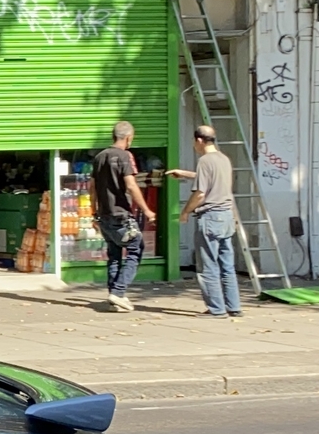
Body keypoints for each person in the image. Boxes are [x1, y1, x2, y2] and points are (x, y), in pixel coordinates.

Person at [169, 125, 242, 318]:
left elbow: (200, 193)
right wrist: (185, 174)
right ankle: (233, 306)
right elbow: (213, 180)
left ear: (199, 140)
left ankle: (216, 309)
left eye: (194, 142)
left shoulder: (205, 161)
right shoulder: (223, 159)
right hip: (226, 215)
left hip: (210, 217)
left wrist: (185, 211)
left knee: (207, 265)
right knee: (227, 265)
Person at [91, 120, 155, 313]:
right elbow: (131, 185)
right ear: (128, 138)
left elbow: (92, 187)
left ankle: (114, 297)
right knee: (136, 249)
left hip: (104, 215)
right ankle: (118, 292)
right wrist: (146, 210)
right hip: (121, 215)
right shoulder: (125, 156)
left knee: (114, 255)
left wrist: (94, 212)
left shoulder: (100, 157)